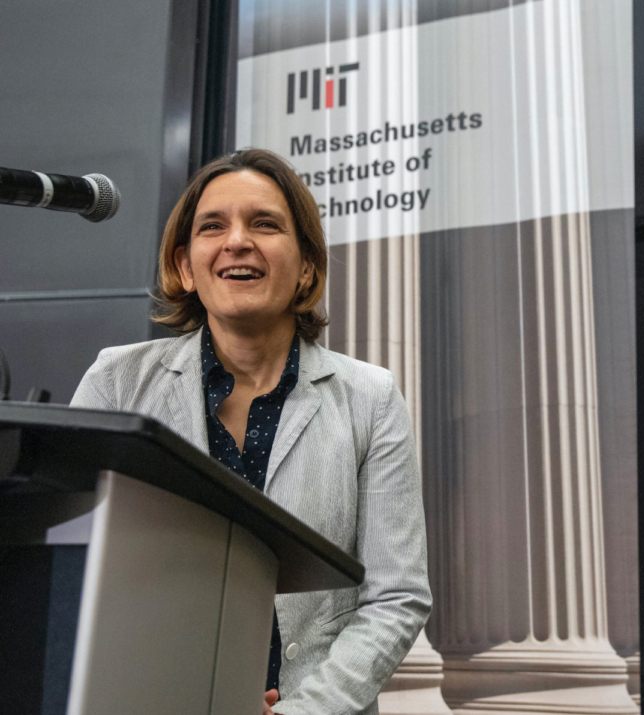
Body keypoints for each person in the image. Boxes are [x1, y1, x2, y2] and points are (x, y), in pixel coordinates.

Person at [71, 148, 430, 715]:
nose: (237, 241)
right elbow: (78, 564)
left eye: (265, 224)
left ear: (306, 266)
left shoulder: (371, 398)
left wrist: (301, 711)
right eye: (213, 226)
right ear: (186, 266)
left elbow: (396, 597)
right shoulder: (117, 382)